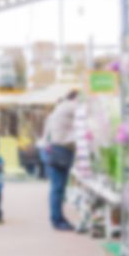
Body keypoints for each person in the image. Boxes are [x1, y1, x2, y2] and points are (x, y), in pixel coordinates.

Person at [42, 90, 79, 230]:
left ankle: (58, 218)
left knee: (57, 188)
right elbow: (87, 114)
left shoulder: (58, 109)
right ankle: (57, 220)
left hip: (54, 149)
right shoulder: (71, 106)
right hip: (61, 150)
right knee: (58, 188)